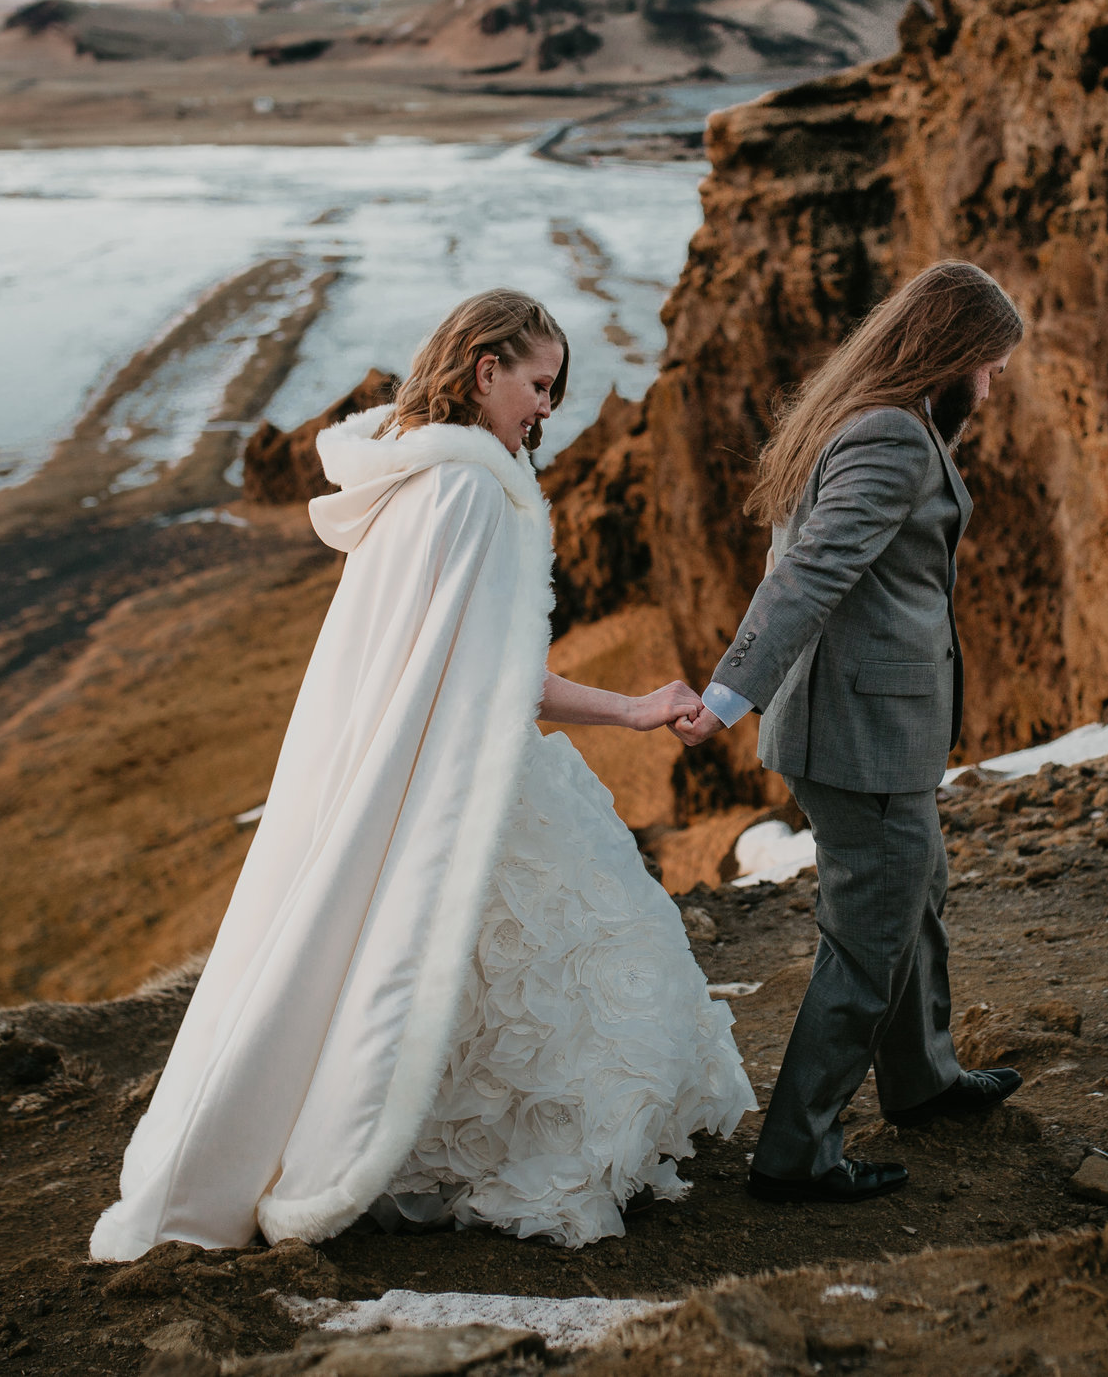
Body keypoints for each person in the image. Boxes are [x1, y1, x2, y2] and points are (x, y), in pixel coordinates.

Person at [92, 289, 752, 1259]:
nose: (546, 409)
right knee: (551, 948)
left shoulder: (409, 479)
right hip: (469, 781)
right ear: (485, 369)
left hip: (447, 767)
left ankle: (428, 1144)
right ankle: (514, 1152)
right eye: (537, 384)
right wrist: (632, 707)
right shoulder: (474, 493)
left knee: (459, 964)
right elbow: (497, 676)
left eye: (557, 390)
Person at [673, 260, 1025, 1204]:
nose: (991, 388)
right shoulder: (889, 436)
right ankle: (796, 1151)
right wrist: (727, 692)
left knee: (918, 893)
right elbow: (809, 575)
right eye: (989, 365)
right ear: (951, 353)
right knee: (869, 933)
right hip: (857, 731)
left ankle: (924, 1077)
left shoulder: (866, 413)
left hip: (872, 725)